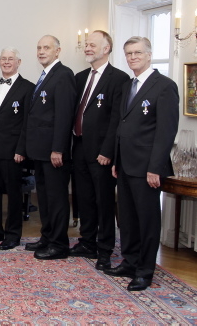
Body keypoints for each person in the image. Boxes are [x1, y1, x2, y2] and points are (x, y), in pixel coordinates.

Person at [107, 36, 179, 291]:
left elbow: (166, 132)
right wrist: (116, 159)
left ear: (149, 55)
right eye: (128, 53)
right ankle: (130, 261)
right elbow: (122, 125)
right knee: (127, 218)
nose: (133, 57)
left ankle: (145, 270)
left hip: (147, 167)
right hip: (125, 164)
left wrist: (155, 168)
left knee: (147, 220)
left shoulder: (165, 86)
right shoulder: (128, 85)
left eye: (137, 52)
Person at [70, 31, 129, 269]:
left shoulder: (119, 78)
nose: (87, 48)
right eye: (86, 45)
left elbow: (116, 119)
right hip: (79, 147)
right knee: (84, 198)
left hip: (102, 152)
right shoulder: (80, 77)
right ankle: (87, 242)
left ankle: (105, 250)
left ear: (106, 49)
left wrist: (108, 151)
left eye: (92, 45)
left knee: (103, 202)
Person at [24, 35, 76, 260]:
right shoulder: (46, 75)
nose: (41, 51)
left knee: (56, 199)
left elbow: (64, 116)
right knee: (44, 198)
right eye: (39, 48)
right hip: (40, 151)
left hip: (54, 152)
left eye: (46, 47)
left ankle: (59, 244)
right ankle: (47, 237)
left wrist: (58, 149)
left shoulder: (63, 75)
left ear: (58, 51)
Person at [0, 47, 34, 250]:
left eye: (11, 59)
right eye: (3, 59)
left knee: (13, 194)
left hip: (13, 151)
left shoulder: (28, 88)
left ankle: (13, 235)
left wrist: (21, 149)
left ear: (19, 62)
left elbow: (27, 123)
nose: (7, 62)